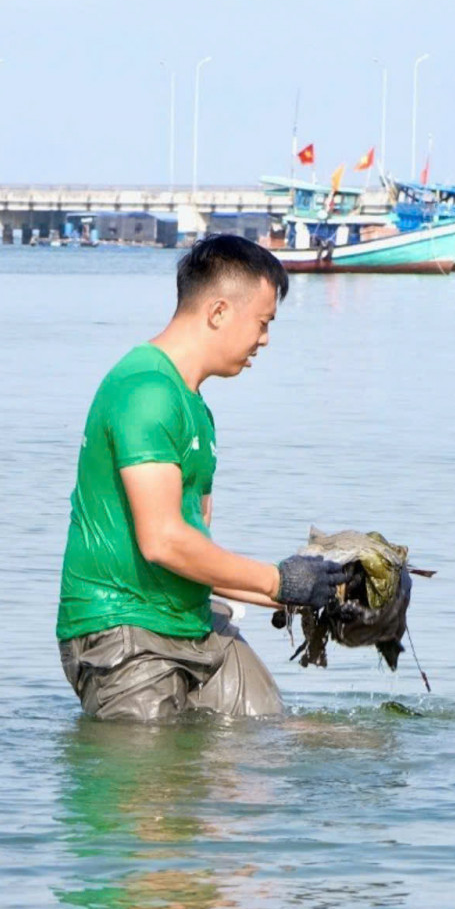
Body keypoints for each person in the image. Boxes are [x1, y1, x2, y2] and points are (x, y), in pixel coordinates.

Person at [56, 234, 351, 721]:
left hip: (190, 621)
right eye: (262, 322)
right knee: (158, 781)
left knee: (275, 736)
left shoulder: (195, 408)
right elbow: (163, 542)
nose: (265, 339)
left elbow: (196, 552)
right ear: (217, 312)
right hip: (121, 629)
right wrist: (278, 580)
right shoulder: (146, 391)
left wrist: (312, 591)